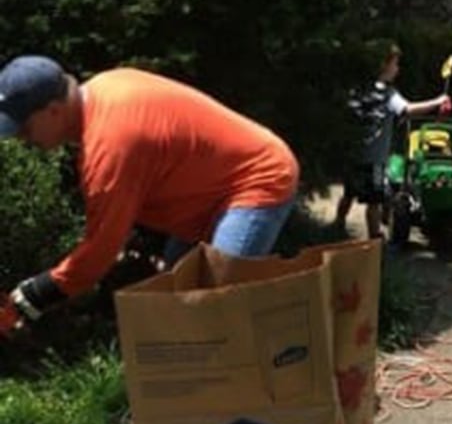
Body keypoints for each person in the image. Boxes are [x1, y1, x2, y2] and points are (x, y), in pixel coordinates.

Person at [0, 55, 299, 329]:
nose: (21, 140)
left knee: (214, 306)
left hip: (256, 178)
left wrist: (35, 295)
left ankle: (288, 364)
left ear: (53, 111)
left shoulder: (110, 147)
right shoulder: (105, 86)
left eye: (24, 130)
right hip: (206, 193)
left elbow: (101, 251)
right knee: (175, 302)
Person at [334, 42, 450, 240]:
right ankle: (375, 239)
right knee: (374, 200)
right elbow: (408, 109)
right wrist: (437, 101)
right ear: (384, 65)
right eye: (395, 64)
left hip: (353, 154)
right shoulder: (388, 94)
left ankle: (337, 225)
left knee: (349, 193)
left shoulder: (358, 89)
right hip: (375, 159)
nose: (398, 69)